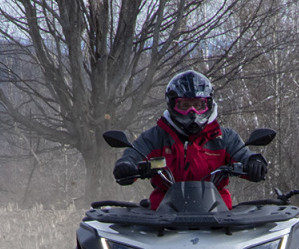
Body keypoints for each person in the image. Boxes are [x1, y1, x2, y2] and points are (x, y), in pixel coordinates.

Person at [112, 70, 268, 209]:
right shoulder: (155, 137)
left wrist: (255, 163)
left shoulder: (224, 138)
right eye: (185, 105)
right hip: (161, 220)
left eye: (199, 105)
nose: (192, 112)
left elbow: (243, 155)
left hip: (219, 218)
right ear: (172, 105)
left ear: (209, 104)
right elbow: (133, 155)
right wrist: (127, 166)